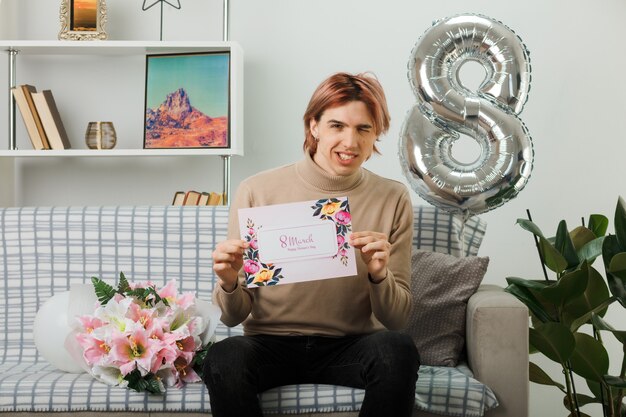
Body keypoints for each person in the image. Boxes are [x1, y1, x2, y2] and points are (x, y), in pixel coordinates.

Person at [202, 72, 420, 417]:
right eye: (337, 126)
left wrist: (379, 276)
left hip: (351, 346)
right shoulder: (257, 190)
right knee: (224, 356)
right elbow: (233, 317)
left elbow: (396, 319)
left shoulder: (392, 197)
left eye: (364, 129)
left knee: (397, 348)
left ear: (376, 133)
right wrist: (229, 281)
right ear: (313, 125)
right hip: (269, 344)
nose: (350, 142)